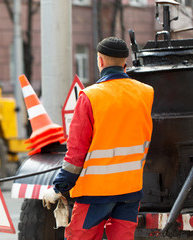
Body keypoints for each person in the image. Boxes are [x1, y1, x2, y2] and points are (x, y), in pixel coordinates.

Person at [42, 37, 154, 240]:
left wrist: (58, 188)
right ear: (124, 63)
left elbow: (76, 155)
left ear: (100, 61)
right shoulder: (145, 93)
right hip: (130, 190)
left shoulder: (90, 97)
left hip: (95, 193)